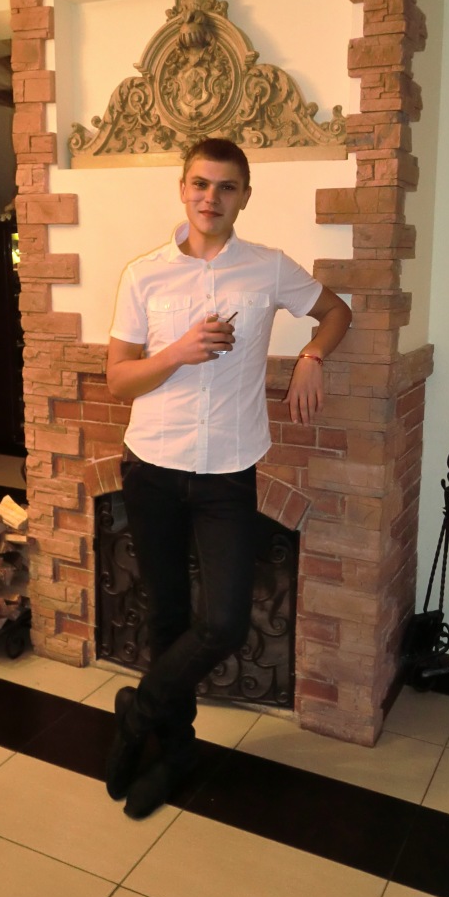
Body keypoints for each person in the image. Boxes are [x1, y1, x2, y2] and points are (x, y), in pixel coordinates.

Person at [105, 137, 351, 819]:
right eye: (200, 183)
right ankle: (175, 750)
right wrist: (178, 352)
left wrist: (311, 356)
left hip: (227, 474)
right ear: (182, 188)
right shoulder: (143, 275)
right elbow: (118, 380)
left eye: (226, 186)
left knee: (223, 621)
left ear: (244, 196)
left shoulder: (267, 267)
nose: (210, 197)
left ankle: (136, 712)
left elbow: (337, 311)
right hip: (152, 465)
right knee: (166, 616)